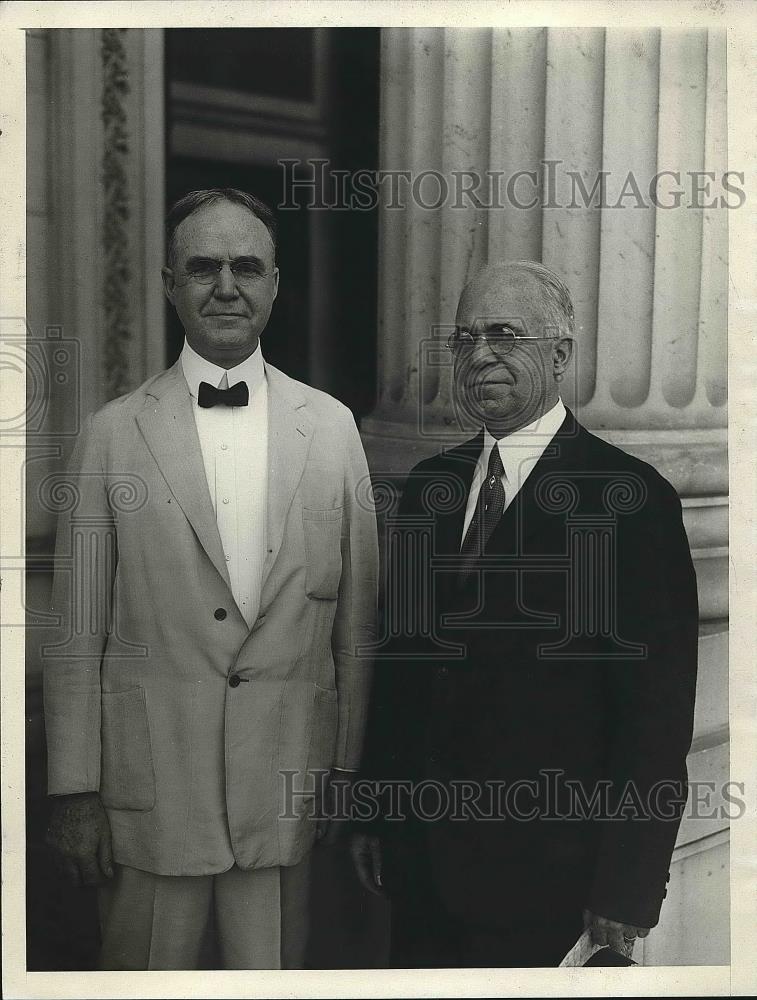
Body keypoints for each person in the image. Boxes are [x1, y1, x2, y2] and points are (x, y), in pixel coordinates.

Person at [43, 188, 378, 970]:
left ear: (274, 284)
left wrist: (347, 770)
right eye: (202, 268)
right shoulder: (111, 434)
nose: (226, 287)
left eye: (246, 267)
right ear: (169, 283)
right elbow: (75, 634)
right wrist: (73, 792)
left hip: (286, 795)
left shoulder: (332, 429)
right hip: (151, 801)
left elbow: (356, 626)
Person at [352, 260, 698, 968]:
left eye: (504, 335)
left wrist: (628, 887)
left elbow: (655, 718)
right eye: (464, 338)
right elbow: (402, 671)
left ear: (560, 354)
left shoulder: (629, 499)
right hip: (421, 871)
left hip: (551, 886)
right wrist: (376, 815)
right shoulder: (429, 488)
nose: (479, 355)